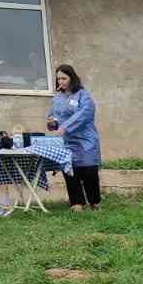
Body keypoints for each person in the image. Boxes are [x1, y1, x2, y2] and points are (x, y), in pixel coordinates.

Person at [46, 65, 102, 210]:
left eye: (64, 78)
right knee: (70, 170)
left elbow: (84, 114)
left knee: (89, 170)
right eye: (58, 79)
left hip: (85, 140)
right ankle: (77, 203)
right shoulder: (57, 98)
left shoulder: (83, 95)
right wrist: (52, 123)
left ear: (72, 78)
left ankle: (95, 202)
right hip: (67, 141)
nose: (61, 81)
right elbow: (53, 118)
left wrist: (65, 127)